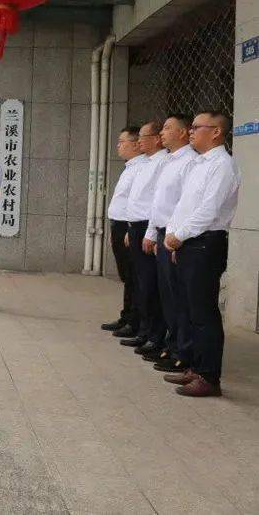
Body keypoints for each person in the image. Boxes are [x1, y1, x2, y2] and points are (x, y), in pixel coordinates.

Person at [162, 111, 241, 398]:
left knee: (204, 312)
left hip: (205, 244)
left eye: (197, 127)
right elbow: (183, 205)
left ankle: (209, 377)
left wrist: (178, 236)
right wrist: (175, 238)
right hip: (188, 244)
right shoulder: (199, 164)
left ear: (217, 132)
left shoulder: (222, 165)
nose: (191, 132)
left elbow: (208, 211)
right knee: (190, 310)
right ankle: (194, 367)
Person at [143, 114, 196, 374]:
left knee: (179, 298)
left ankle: (182, 352)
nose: (161, 132)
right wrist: (152, 233)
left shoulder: (190, 162)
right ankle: (171, 345)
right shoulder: (169, 161)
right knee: (167, 296)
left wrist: (176, 239)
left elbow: (186, 205)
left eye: (167, 128)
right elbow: (158, 202)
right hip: (164, 233)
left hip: (177, 236)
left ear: (183, 133)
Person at [122, 121, 169, 357]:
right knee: (141, 283)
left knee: (151, 285)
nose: (139, 141)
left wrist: (150, 232)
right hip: (139, 227)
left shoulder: (163, 162)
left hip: (153, 229)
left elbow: (156, 203)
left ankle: (155, 335)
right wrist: (132, 228)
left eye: (143, 136)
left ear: (157, 139)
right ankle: (145, 330)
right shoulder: (146, 163)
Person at [101, 126, 146, 337]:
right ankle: (126, 316)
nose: (118, 146)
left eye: (122, 142)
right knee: (127, 276)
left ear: (137, 144)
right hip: (119, 226)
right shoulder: (130, 167)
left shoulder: (142, 167)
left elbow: (138, 203)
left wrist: (130, 228)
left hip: (129, 227)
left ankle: (135, 321)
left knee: (134, 276)